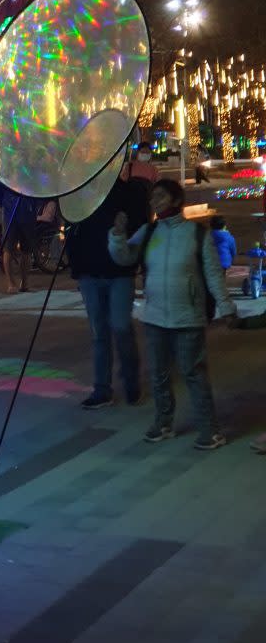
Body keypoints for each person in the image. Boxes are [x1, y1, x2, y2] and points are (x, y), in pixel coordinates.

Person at [109, 178, 236, 450]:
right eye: (153, 198)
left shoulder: (196, 234)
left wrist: (226, 306)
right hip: (155, 316)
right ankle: (163, 423)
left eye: (161, 197)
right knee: (158, 374)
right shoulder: (149, 231)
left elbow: (213, 274)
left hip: (188, 315)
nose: (156, 202)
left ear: (177, 200)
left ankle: (210, 430)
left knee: (194, 373)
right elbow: (124, 257)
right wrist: (118, 234)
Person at [69, 177, 150, 409]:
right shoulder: (80, 193)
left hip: (120, 274)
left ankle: (131, 381)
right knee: (99, 332)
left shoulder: (128, 192)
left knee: (121, 327)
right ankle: (102, 389)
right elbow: (73, 230)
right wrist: (77, 266)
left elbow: (140, 229)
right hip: (89, 273)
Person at [0, 181, 38, 292]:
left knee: (26, 250)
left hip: (27, 212)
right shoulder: (6, 172)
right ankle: (11, 283)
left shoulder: (28, 170)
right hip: (11, 214)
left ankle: (24, 282)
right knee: (9, 249)